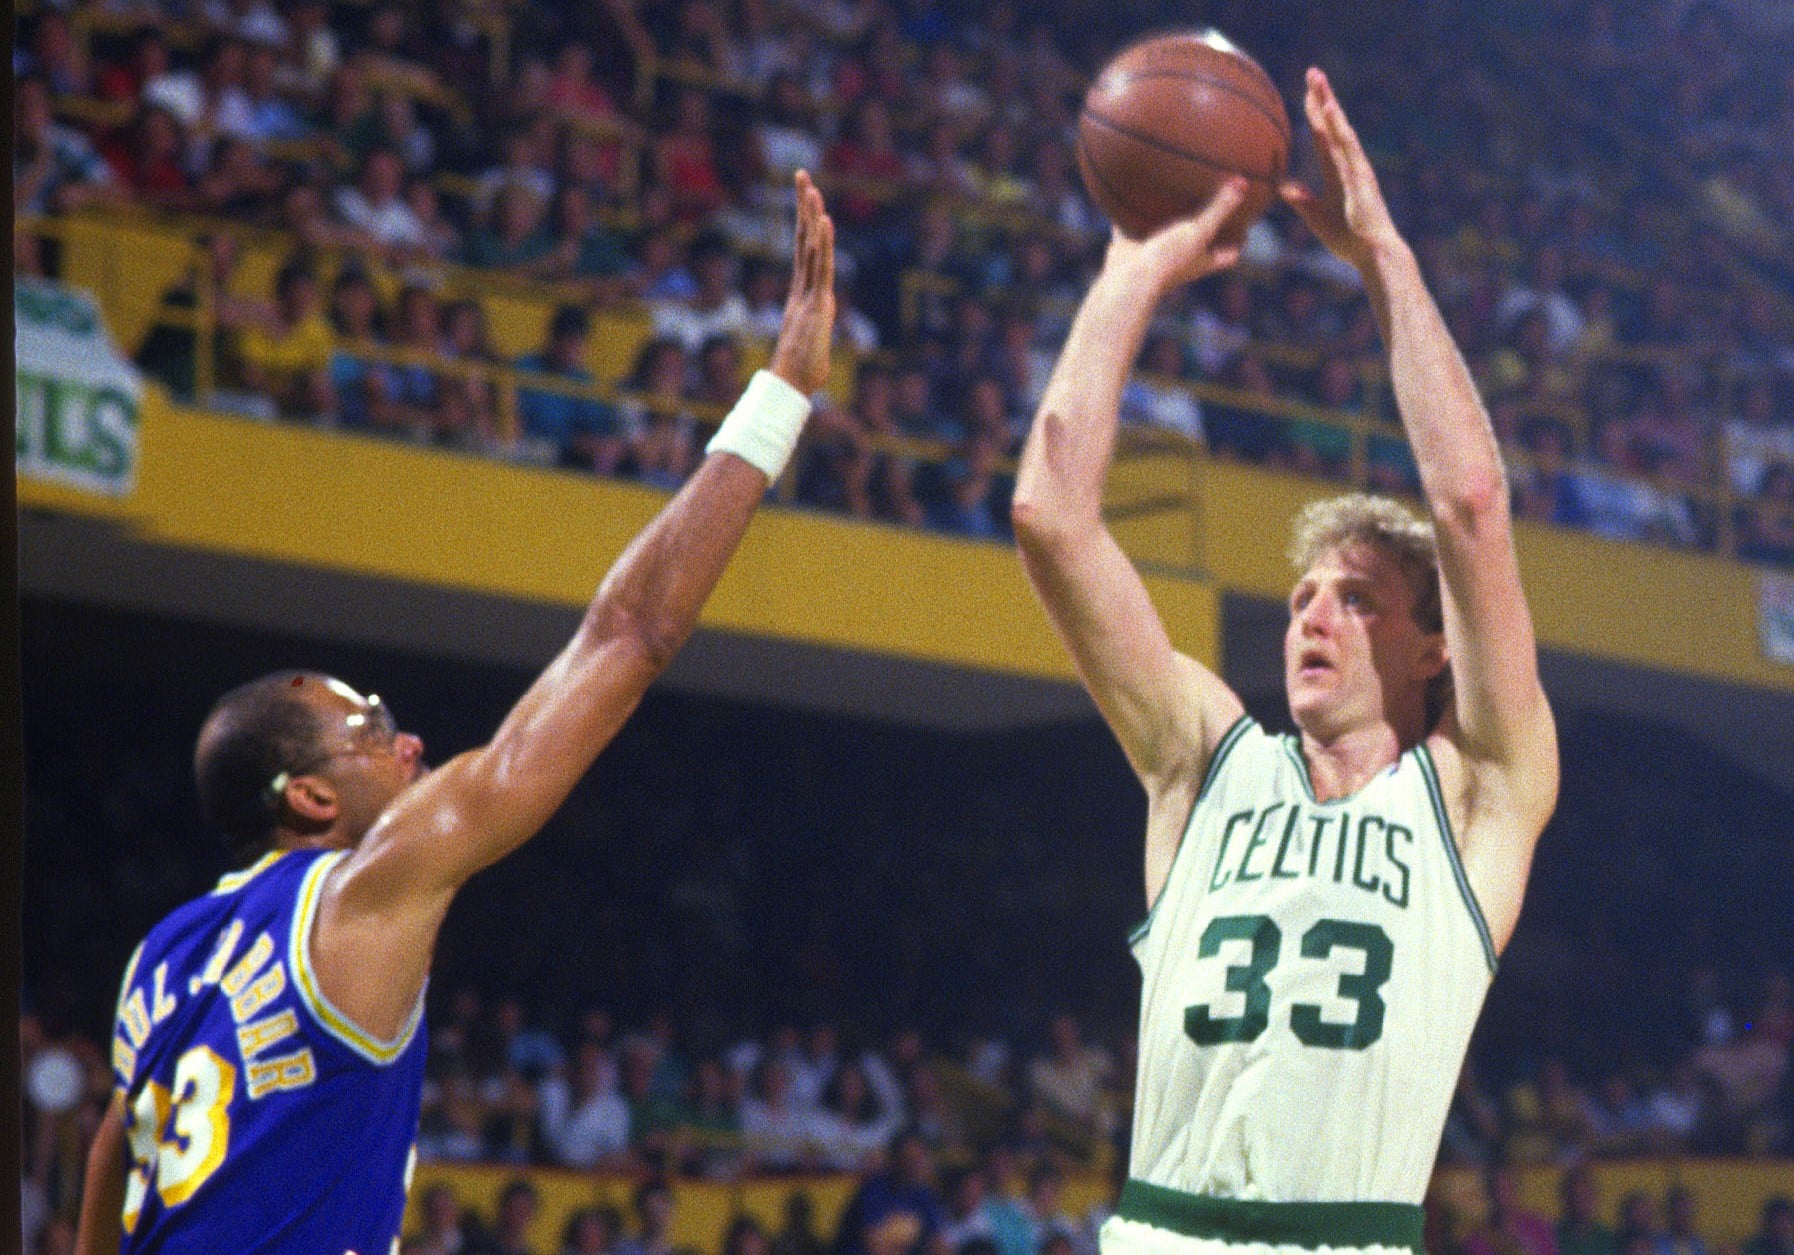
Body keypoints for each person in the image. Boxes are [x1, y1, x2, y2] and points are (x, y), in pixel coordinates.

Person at [72, 171, 838, 1255]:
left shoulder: (161, 957)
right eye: (372, 726)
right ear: (310, 793)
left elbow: (114, 1143)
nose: (410, 738)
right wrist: (783, 393)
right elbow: (628, 636)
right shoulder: (359, 893)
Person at [1011, 68, 1558, 1255]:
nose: (1310, 616)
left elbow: (1469, 500)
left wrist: (1384, 264)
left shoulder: (1474, 797)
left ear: (1429, 649)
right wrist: (1129, 275)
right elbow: (1051, 515)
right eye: (1302, 596)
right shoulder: (1203, 761)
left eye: (1355, 600)